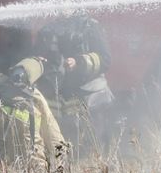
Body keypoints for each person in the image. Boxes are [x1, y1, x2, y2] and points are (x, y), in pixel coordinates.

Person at [0, 57, 69, 172]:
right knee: (34, 170)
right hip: (29, 168)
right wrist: (60, 169)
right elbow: (54, 137)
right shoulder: (34, 96)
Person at [34, 15, 114, 153]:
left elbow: (105, 59)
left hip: (90, 96)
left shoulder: (89, 26)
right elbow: (36, 56)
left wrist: (79, 62)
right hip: (59, 96)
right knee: (61, 144)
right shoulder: (48, 31)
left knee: (92, 145)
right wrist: (37, 63)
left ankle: (93, 169)